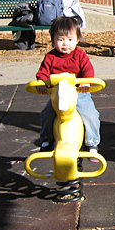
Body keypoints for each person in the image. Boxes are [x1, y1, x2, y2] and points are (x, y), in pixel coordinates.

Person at [36, 16, 101, 155]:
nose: (65, 44)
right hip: (57, 94)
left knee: (90, 114)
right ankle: (46, 139)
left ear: (77, 40)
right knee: (47, 113)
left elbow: (88, 70)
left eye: (70, 40)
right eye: (60, 39)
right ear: (53, 40)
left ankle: (92, 142)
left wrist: (85, 81)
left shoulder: (80, 55)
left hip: (78, 92)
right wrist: (41, 83)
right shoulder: (50, 57)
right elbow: (42, 73)